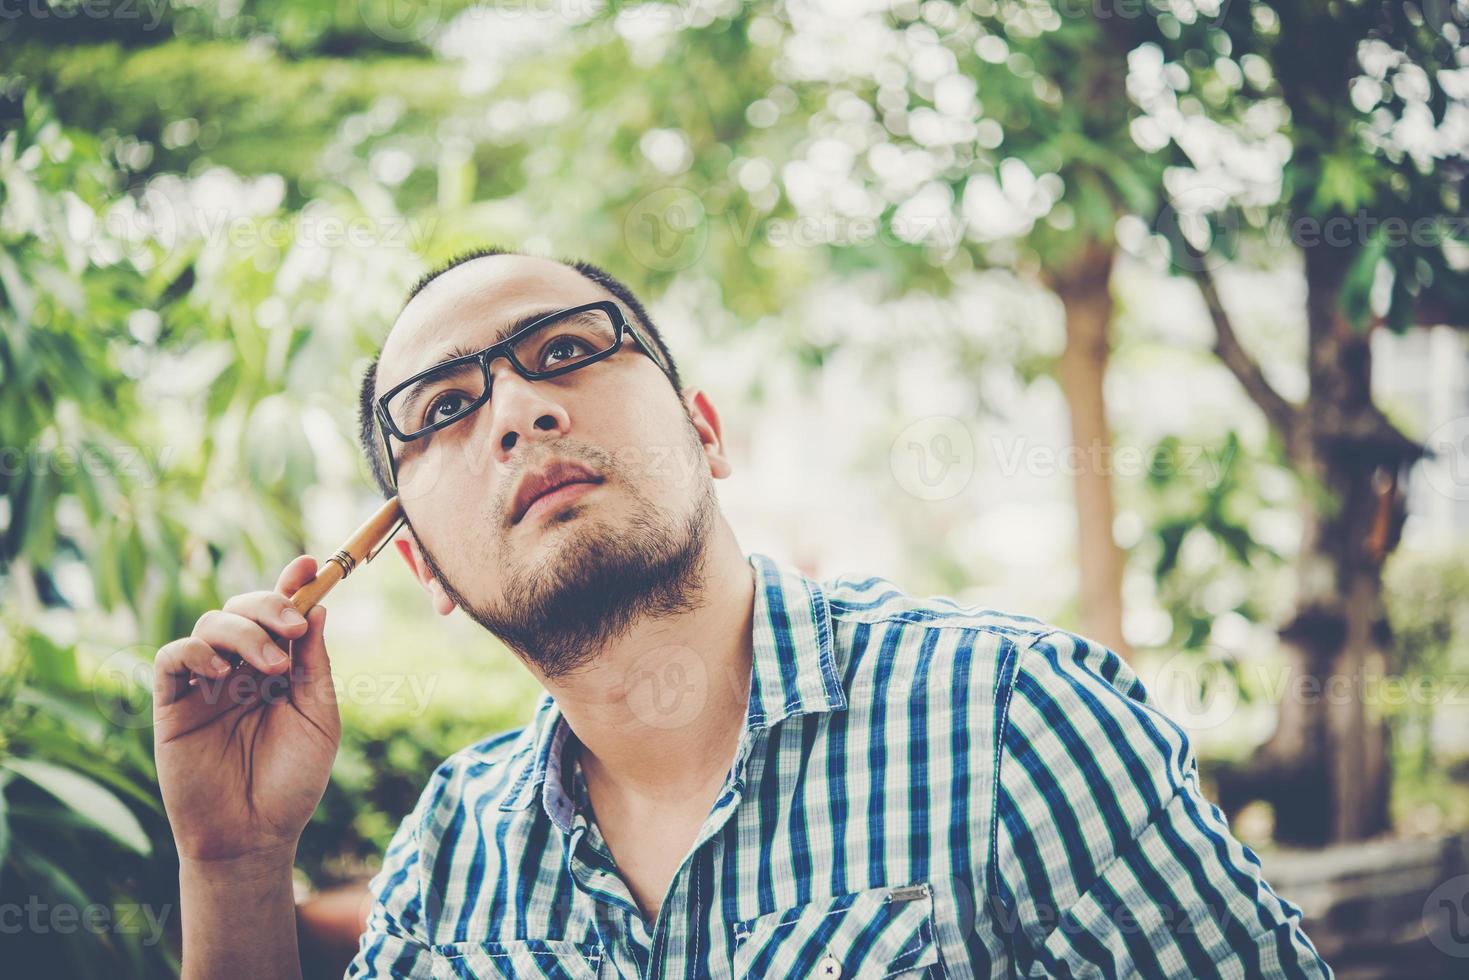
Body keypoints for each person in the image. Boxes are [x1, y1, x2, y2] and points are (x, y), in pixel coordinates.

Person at [153, 249, 1334, 978]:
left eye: (565, 350)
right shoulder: (451, 853)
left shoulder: (1011, 721)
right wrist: (233, 862)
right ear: (418, 567)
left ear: (704, 431)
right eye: (446, 406)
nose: (516, 409)